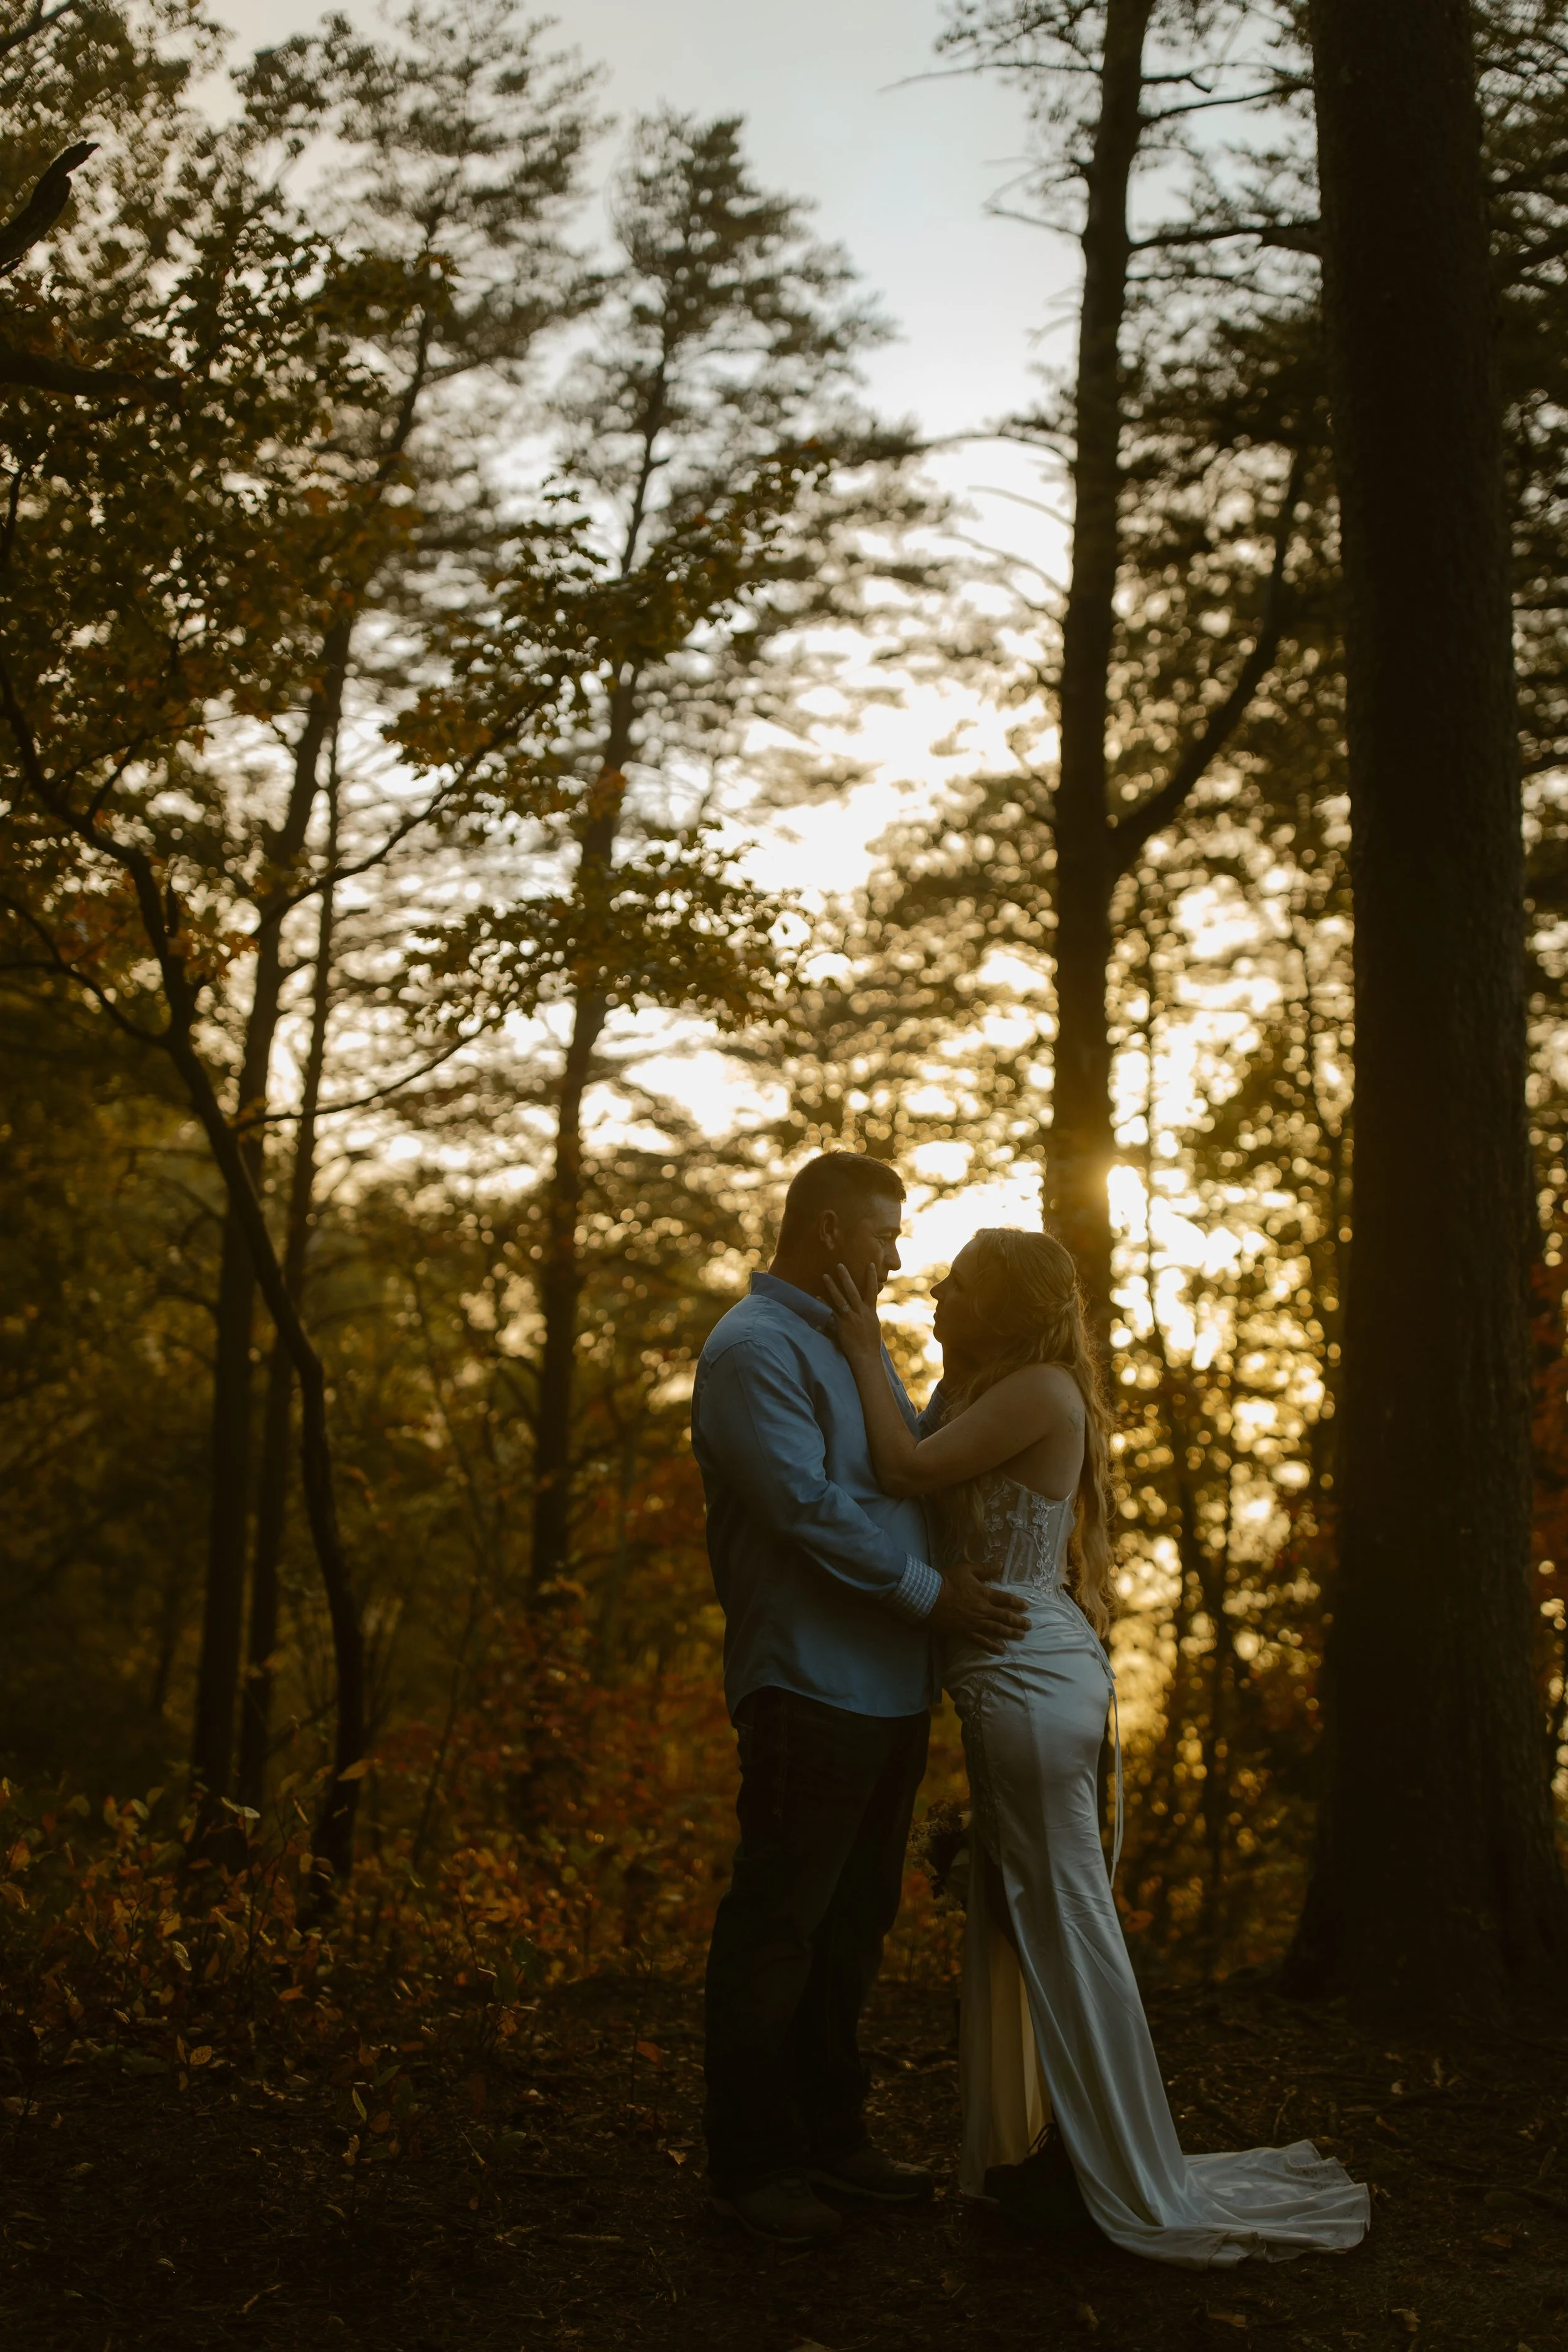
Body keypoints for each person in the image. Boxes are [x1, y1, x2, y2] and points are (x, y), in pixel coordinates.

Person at [822, 1226, 1371, 2269]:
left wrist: (860, 1343)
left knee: (1063, 1924)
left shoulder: (1038, 1391)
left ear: (1016, 1305)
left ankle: (1110, 2166)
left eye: (964, 1283)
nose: (941, 1289)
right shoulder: (990, 1383)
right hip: (1012, 1679)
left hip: (1029, 1682)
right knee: (1029, 1919)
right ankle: (1056, 2152)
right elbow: (925, 1464)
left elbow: (901, 1470)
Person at [692, 1152, 1029, 2247]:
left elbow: (906, 1470)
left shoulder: (856, 1345)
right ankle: (752, 2164)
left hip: (893, 1683)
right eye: (885, 1233)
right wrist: (934, 1595)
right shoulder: (752, 1350)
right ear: (830, 1229)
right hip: (809, 1681)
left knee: (853, 1929)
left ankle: (834, 2137)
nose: (896, 1252)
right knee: (779, 1927)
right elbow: (805, 1508)